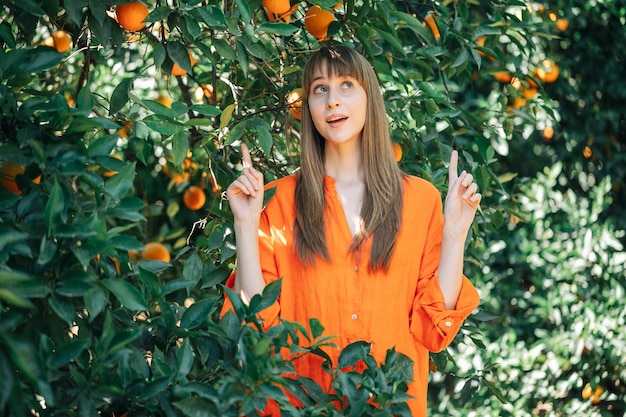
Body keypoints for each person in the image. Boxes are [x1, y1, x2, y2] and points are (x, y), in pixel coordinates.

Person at [224, 45, 482, 416]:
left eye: (346, 85)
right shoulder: (277, 201)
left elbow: (432, 331)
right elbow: (253, 331)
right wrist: (246, 226)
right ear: (309, 107)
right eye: (319, 89)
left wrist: (456, 233)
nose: (332, 101)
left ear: (369, 98)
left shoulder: (420, 200)